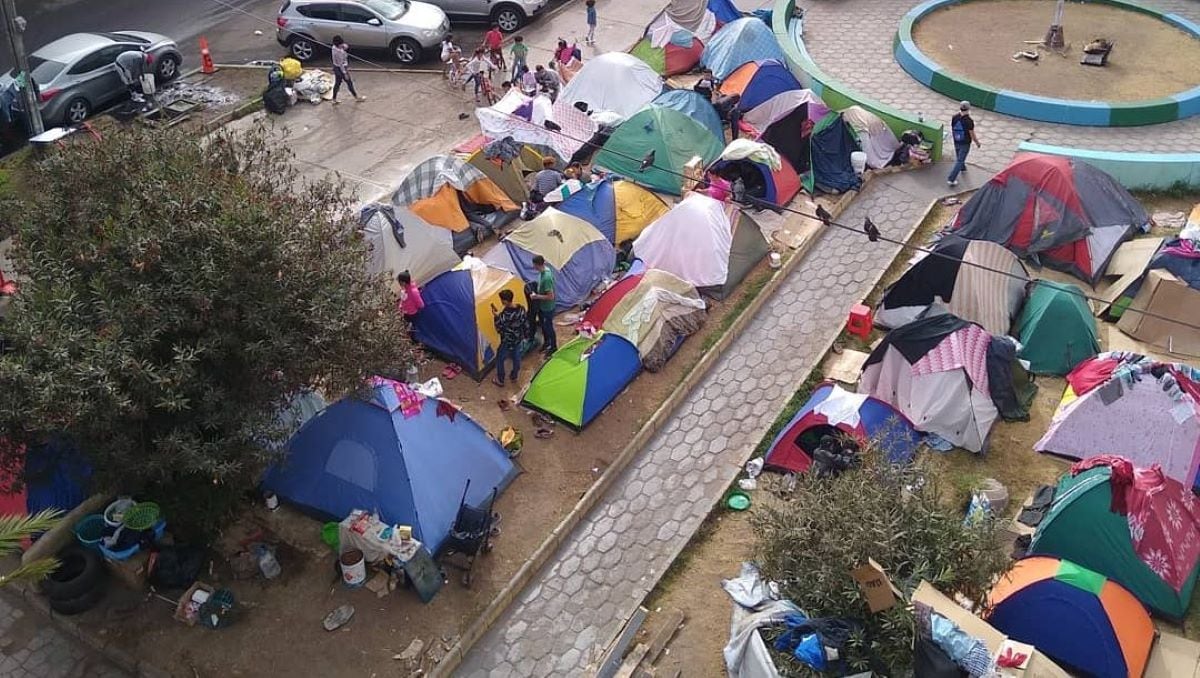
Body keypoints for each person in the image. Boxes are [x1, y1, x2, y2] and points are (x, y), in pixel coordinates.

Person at [491, 289, 528, 386]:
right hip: (518, 339)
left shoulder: (504, 315)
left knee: (499, 359)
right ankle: (514, 376)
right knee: (516, 357)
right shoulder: (521, 309)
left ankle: (500, 379)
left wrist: (496, 316)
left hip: (507, 341)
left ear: (505, 301)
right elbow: (525, 323)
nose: (501, 302)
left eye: (502, 300)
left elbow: (499, 328)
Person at [947, 101, 980, 187]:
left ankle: (963, 168)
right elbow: (972, 134)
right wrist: (977, 143)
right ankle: (951, 179)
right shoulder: (969, 121)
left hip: (956, 140)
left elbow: (953, 128)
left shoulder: (954, 117)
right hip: (965, 142)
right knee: (960, 160)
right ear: (968, 109)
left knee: (959, 156)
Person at [529, 255, 557, 354]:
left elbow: (551, 296)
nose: (533, 267)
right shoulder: (543, 271)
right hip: (542, 306)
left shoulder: (547, 277)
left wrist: (536, 296)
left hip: (548, 307)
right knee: (544, 326)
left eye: (534, 265)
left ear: (537, 265)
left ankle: (553, 347)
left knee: (549, 327)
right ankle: (547, 343)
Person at [330, 36, 364, 104]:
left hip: (336, 67)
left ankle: (334, 99)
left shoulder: (334, 47)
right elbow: (341, 64)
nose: (342, 45)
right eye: (341, 44)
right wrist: (345, 73)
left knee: (337, 83)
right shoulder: (338, 52)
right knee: (349, 82)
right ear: (338, 44)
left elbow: (345, 46)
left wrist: (344, 47)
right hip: (340, 69)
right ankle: (356, 97)